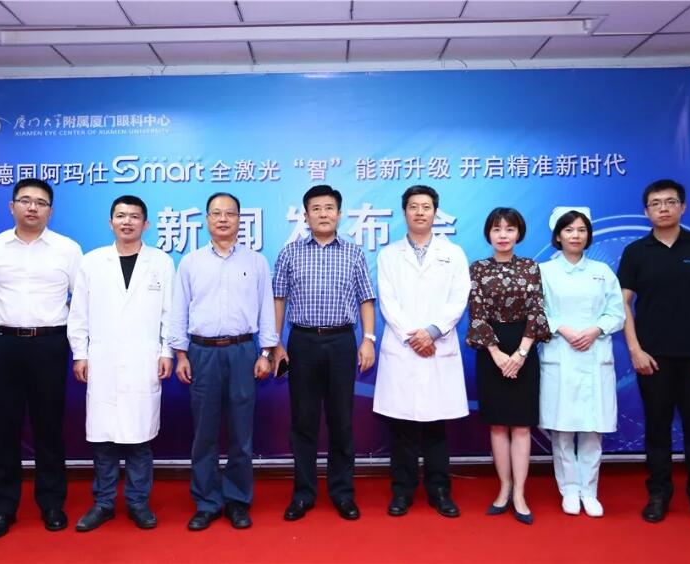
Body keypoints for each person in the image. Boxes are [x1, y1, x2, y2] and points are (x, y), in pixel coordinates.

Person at [0, 178, 82, 539]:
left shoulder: (68, 249)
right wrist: (6, 326)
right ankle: (3, 508)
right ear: (12, 206)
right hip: (4, 346)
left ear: (51, 210)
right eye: (25, 200)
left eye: (41, 203)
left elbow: (80, 300)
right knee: (4, 427)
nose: (33, 208)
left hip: (49, 346)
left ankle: (52, 504)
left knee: (50, 427)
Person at [617, 179, 690, 530]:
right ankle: (659, 495)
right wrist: (635, 350)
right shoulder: (636, 251)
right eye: (655, 203)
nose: (663, 208)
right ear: (646, 211)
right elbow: (623, 304)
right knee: (657, 428)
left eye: (669, 202)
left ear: (683, 207)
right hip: (652, 358)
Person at [170, 192, 278, 531]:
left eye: (229, 213)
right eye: (216, 213)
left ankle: (237, 500)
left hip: (243, 351)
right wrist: (181, 354)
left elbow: (266, 309)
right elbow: (179, 309)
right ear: (206, 219)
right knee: (204, 433)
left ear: (239, 219)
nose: (222, 219)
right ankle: (206, 502)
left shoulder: (256, 262)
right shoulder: (190, 262)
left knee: (241, 433)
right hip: (202, 353)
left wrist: (266, 353)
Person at [67, 195, 174, 532]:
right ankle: (103, 503)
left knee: (140, 440)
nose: (127, 222)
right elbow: (78, 313)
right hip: (103, 360)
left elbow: (170, 313)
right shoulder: (92, 262)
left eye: (134, 216)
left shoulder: (161, 262)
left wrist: (167, 351)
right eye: (121, 216)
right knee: (104, 441)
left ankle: (138, 503)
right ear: (110, 222)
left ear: (146, 224)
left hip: (144, 360)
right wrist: (80, 353)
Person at [272, 184, 376, 522]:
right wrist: (276, 343)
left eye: (329, 208)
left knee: (341, 421)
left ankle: (343, 493)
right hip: (301, 343)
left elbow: (366, 299)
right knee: (303, 421)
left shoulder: (353, 253)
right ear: (305, 216)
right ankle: (303, 494)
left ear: (339, 214)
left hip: (342, 342)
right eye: (315, 209)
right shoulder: (290, 253)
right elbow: (278, 299)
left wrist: (368, 340)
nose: (323, 214)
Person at [373, 185, 471, 518]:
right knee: (402, 429)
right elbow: (388, 302)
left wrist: (432, 332)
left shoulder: (453, 253)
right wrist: (412, 336)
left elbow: (458, 298)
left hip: (437, 346)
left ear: (435, 212)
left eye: (426, 207)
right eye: (413, 206)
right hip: (404, 349)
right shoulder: (389, 255)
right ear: (405, 212)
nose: (419, 212)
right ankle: (402, 492)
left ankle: (439, 491)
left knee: (436, 429)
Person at [538, 208, 625, 518]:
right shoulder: (544, 271)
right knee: (562, 429)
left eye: (581, 230)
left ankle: (589, 490)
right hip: (560, 351)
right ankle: (569, 489)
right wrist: (563, 329)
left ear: (588, 235)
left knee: (592, 428)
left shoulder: (602, 271)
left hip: (594, 352)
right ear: (558, 236)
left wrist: (595, 330)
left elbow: (617, 312)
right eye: (569, 230)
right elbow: (538, 310)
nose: (575, 235)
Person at [467, 207, 550, 525]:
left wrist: (521, 353)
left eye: (510, 229)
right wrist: (497, 353)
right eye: (497, 229)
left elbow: (537, 311)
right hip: (491, 350)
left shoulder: (530, 267)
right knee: (498, 425)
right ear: (488, 233)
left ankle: (520, 494)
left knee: (522, 425)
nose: (503, 235)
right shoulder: (478, 268)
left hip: (523, 347)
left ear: (519, 233)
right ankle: (504, 488)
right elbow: (476, 313)